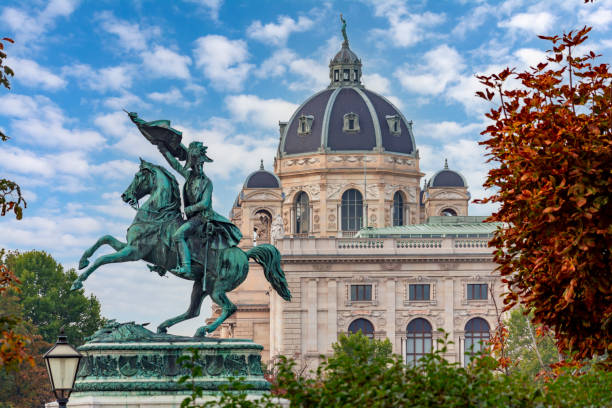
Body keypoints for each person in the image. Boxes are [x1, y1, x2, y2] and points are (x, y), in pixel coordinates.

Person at [157, 141, 242, 278]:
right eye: (197, 164)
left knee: (178, 235)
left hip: (202, 217)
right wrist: (162, 149)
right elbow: (175, 164)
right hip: (191, 217)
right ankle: (162, 265)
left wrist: (190, 208)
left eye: (201, 164)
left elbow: (205, 203)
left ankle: (186, 266)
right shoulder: (189, 176)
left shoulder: (207, 182)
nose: (200, 167)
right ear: (192, 164)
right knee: (167, 229)